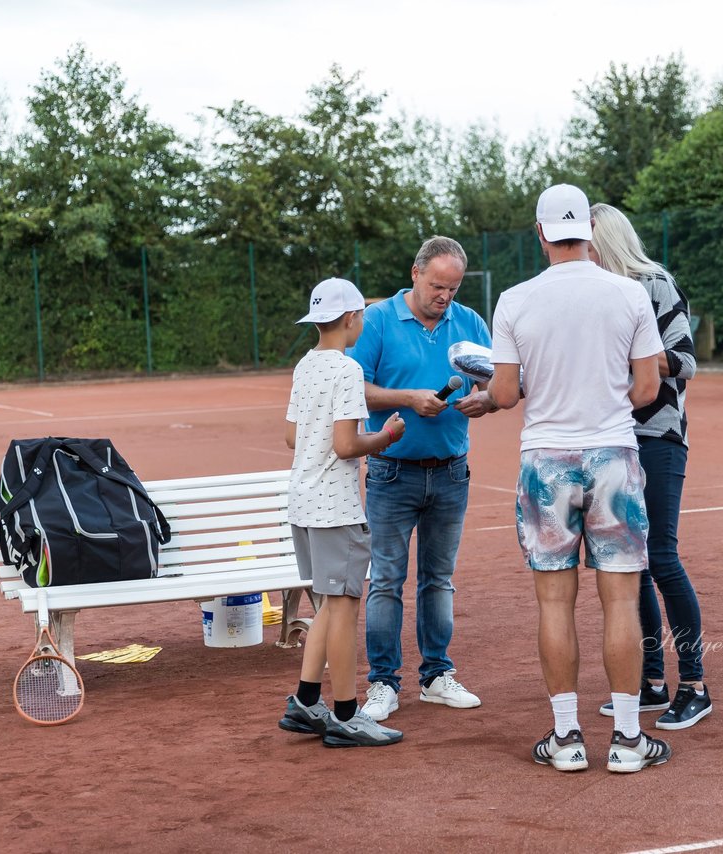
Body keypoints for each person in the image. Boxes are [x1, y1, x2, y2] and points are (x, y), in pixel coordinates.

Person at [488, 184, 671, 773]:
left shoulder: (516, 300)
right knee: (620, 600)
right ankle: (626, 740)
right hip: (613, 455)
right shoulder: (628, 295)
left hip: (546, 460)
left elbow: (505, 393)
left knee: (553, 603)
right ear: (590, 233)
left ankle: (566, 739)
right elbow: (647, 389)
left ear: (540, 234)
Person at [348, 236, 499, 722]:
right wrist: (409, 398)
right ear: (415, 274)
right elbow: (356, 392)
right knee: (387, 581)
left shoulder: (470, 322)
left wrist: (487, 400)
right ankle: (383, 684)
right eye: (438, 286)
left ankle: (436, 676)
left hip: (452, 472)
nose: (445, 297)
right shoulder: (377, 320)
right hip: (392, 473)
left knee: (439, 581)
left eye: (453, 289)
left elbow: (494, 380)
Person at [589, 203, 712, 731]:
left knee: (661, 556)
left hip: (658, 436)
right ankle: (650, 681)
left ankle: (696, 685)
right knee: (627, 563)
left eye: (588, 242)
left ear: (608, 242)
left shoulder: (654, 283)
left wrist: (638, 349)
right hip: (613, 437)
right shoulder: (595, 293)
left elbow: (684, 362)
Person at [277, 277, 408, 748]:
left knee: (330, 606)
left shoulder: (305, 364)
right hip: (335, 507)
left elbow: (293, 437)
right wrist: (387, 436)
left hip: (303, 502)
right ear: (351, 318)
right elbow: (347, 444)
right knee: (345, 607)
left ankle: (306, 701)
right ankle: (348, 714)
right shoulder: (347, 370)